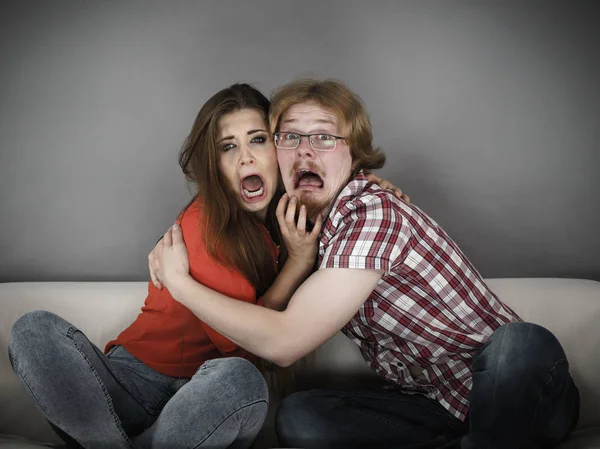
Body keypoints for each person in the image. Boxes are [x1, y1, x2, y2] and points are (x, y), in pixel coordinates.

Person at [154, 79, 580, 449]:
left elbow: (283, 344)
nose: (305, 153)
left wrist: (181, 284)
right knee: (299, 416)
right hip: (434, 408)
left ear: (353, 154)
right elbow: (262, 314)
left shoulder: (372, 211)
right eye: (289, 138)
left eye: (324, 138)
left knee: (520, 343)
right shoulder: (299, 229)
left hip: (522, 396)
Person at [8, 83, 404, 449]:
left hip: (206, 406)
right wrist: (298, 263)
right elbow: (252, 344)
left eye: (258, 140)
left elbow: (343, 192)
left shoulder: (293, 216)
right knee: (33, 328)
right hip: (128, 388)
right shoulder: (202, 225)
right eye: (227, 147)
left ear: (280, 149)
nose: (246, 156)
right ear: (213, 163)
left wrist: (371, 186)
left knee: (238, 380)